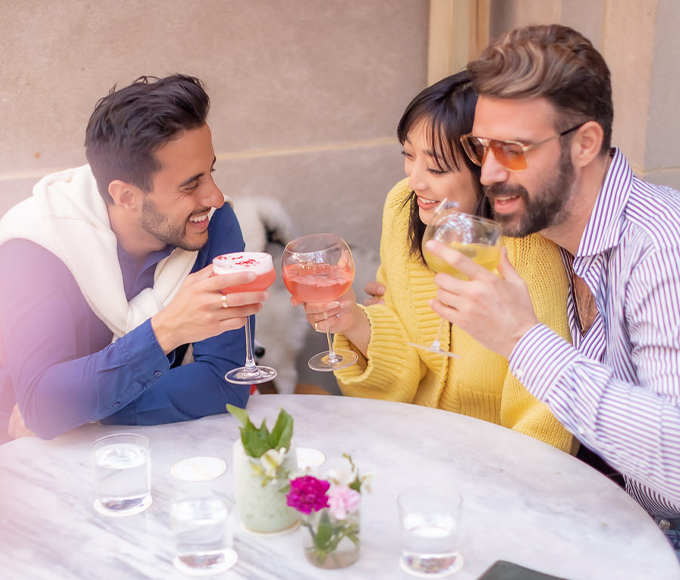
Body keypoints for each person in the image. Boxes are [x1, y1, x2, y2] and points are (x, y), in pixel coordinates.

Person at [424, 24, 680, 556]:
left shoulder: (660, 247)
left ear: (585, 143)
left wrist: (521, 339)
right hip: (604, 506)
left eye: (513, 149)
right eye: (480, 146)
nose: (489, 172)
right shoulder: (544, 233)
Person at [296, 71, 576, 453]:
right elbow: (404, 363)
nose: (415, 180)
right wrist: (355, 322)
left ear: (485, 170)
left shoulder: (526, 245)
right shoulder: (403, 207)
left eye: (437, 168)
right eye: (408, 156)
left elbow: (545, 412)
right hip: (409, 443)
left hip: (494, 461)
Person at [0, 74, 266, 442]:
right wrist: (166, 330)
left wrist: (83, 411)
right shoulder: (33, 248)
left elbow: (225, 382)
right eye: (191, 184)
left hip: (147, 447)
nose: (215, 197)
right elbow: (42, 405)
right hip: (24, 452)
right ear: (125, 197)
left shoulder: (213, 225)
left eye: (211, 172)